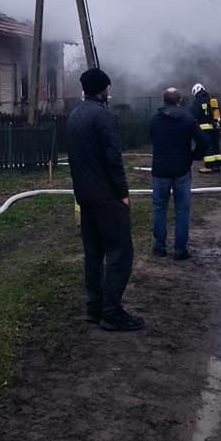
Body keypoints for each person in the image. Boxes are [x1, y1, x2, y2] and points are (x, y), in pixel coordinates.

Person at [66, 67, 144, 332]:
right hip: (107, 197)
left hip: (84, 197)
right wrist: (122, 193)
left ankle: (94, 307)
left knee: (93, 253)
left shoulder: (74, 115)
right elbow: (113, 158)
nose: (109, 91)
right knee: (120, 254)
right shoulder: (104, 116)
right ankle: (111, 312)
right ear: (102, 89)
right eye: (107, 87)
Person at [149, 87, 208, 260]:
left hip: (160, 171)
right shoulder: (188, 119)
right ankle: (180, 250)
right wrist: (193, 156)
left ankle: (159, 247)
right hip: (182, 170)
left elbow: (153, 138)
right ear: (179, 100)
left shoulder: (154, 120)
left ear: (163, 100)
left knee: (159, 208)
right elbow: (203, 141)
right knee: (182, 210)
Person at [190, 83, 221, 173]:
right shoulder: (211, 99)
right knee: (215, 145)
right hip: (214, 127)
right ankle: (217, 165)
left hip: (204, 128)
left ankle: (209, 166)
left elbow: (194, 115)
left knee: (208, 147)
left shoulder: (197, 102)